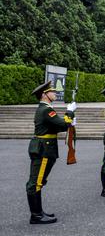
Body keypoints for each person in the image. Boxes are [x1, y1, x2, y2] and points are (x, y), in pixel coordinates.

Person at [26, 81, 76, 224]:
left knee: (38, 181)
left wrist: (69, 120)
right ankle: (36, 215)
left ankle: (39, 212)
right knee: (36, 182)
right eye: (52, 92)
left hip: (44, 148)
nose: (55, 93)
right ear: (44, 95)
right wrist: (70, 112)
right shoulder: (46, 110)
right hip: (44, 150)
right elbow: (63, 124)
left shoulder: (45, 109)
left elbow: (56, 127)